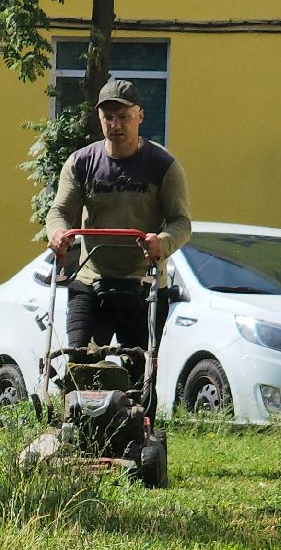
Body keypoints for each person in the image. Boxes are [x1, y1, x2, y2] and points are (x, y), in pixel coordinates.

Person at [44, 78, 193, 351]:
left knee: (141, 377)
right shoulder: (80, 163)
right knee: (80, 363)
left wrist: (162, 242)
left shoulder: (163, 165)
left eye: (124, 117)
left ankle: (137, 394)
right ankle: (78, 394)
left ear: (140, 116)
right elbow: (60, 211)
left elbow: (181, 222)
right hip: (90, 281)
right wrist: (56, 233)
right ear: (100, 119)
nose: (116, 124)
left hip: (143, 284)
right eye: (108, 117)